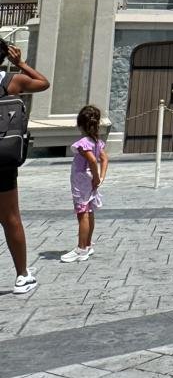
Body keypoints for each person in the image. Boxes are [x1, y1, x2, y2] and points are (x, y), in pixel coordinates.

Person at [0, 38, 50, 295]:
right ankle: (22, 275)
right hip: (3, 160)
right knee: (10, 218)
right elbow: (43, 83)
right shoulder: (11, 81)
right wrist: (20, 63)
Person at [60, 104, 108, 263]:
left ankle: (81, 248)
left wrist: (95, 176)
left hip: (81, 180)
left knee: (82, 213)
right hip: (90, 181)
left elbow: (93, 160)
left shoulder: (82, 143)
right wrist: (101, 177)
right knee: (89, 211)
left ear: (80, 124)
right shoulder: (97, 142)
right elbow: (104, 159)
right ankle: (87, 245)